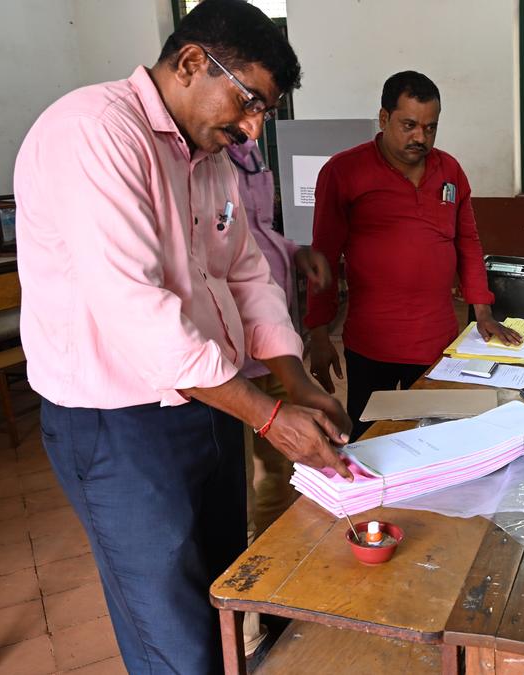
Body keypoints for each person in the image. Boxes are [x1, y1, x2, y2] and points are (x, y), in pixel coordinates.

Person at [15, 2, 352, 672]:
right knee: (174, 634)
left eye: (265, 111)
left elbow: (246, 272)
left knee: (224, 594)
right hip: (121, 425)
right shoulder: (96, 134)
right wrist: (272, 418)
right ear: (193, 62)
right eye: (249, 101)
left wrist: (295, 379)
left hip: (210, 402)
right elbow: (138, 314)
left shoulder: (209, 158)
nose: (253, 127)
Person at [304, 71, 521, 439]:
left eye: (430, 127)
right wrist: (319, 333)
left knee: (435, 439)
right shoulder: (343, 172)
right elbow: (322, 257)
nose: (421, 137)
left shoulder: (449, 170)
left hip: (436, 343)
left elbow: (467, 242)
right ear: (384, 118)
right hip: (372, 346)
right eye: (409, 125)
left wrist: (482, 311)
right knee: (371, 444)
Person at [225, 138, 326, 656]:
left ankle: (274, 590)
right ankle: (245, 634)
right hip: (223, 372)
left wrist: (296, 252)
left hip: (274, 357)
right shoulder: (198, 157)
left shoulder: (248, 153)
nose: (255, 122)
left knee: (281, 481)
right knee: (235, 497)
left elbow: (257, 239)